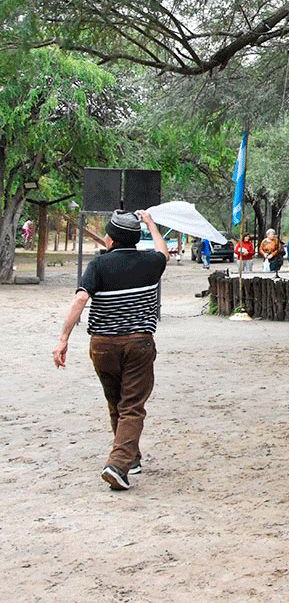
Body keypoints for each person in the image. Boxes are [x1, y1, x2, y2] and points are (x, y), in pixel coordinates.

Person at [52, 210, 169, 490]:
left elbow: (80, 300)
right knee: (132, 405)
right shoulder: (151, 262)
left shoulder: (98, 265)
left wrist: (63, 338)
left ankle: (130, 458)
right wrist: (151, 224)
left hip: (102, 345)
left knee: (116, 401)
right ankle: (118, 465)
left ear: (111, 239)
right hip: (139, 343)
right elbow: (164, 252)